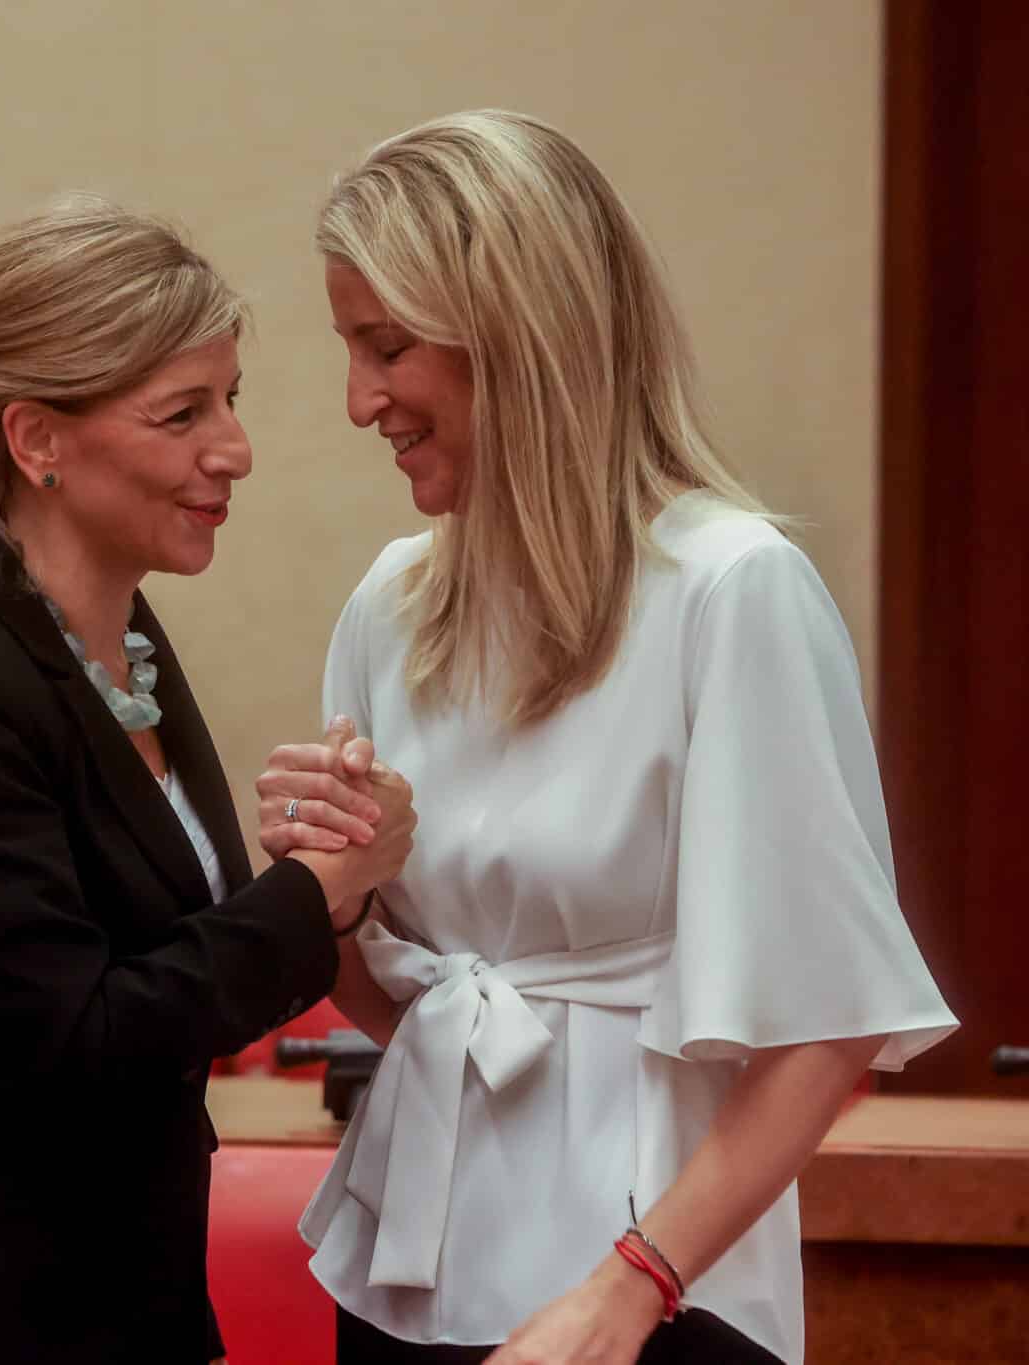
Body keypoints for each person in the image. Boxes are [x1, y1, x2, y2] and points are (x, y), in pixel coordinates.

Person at [255, 111, 957, 1365]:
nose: (358, 399)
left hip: (646, 1287)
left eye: (385, 346)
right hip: (411, 1272)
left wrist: (627, 1290)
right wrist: (339, 890)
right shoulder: (390, 603)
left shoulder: (730, 588)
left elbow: (827, 1023)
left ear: (516, 337)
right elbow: (397, 1008)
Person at [0, 196, 417, 1365]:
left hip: (116, 1303)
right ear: (37, 441)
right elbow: (80, 1037)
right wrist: (313, 890)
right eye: (182, 413)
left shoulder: (120, 637)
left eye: (230, 401)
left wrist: (316, 861)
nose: (234, 449)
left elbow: (168, 956)